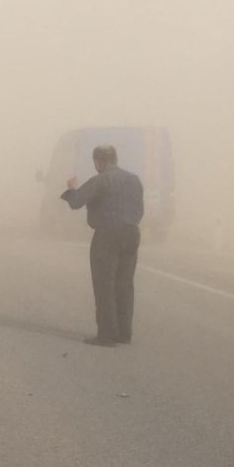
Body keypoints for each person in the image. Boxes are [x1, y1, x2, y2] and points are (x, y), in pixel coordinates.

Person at [61, 145, 144, 347]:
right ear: (115, 159)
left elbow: (76, 202)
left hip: (107, 235)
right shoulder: (134, 180)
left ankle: (106, 335)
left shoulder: (101, 180)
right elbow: (140, 209)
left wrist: (71, 189)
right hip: (131, 233)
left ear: (98, 162)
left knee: (104, 284)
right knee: (125, 284)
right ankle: (124, 333)